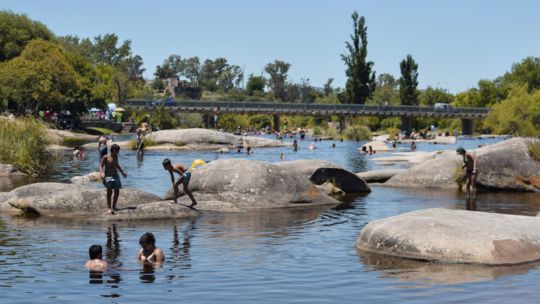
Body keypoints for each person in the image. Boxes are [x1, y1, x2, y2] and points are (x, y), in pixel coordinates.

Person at [100, 144, 127, 214]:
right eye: (118, 151)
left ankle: (114, 206)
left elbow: (117, 165)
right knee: (109, 192)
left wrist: (122, 172)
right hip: (108, 176)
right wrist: (102, 173)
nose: (118, 152)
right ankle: (109, 208)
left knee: (117, 191)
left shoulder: (116, 156)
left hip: (115, 176)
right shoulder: (106, 157)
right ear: (114, 150)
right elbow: (101, 166)